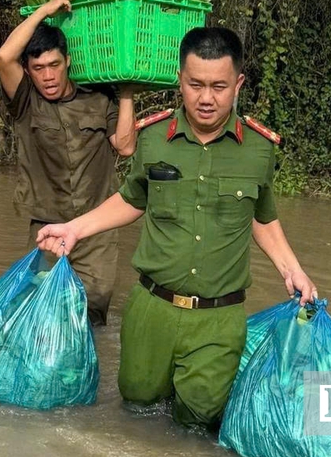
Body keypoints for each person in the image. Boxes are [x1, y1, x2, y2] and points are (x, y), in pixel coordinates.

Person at [36, 27, 315, 429]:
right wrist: (75, 229)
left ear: (238, 84)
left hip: (219, 318)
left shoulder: (260, 148)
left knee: (199, 423)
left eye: (219, 86)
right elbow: (132, 199)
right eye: (195, 84)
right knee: (136, 409)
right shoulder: (152, 137)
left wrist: (293, 271)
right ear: (179, 79)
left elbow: (262, 216)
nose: (206, 98)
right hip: (152, 311)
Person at [0, 0, 135, 325]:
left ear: (68, 61)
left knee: (91, 317)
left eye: (54, 65)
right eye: (38, 69)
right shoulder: (26, 101)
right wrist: (44, 11)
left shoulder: (100, 97)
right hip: (47, 227)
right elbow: (4, 56)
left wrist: (127, 93)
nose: (48, 76)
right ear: (28, 71)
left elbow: (125, 147)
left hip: (96, 230)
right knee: (42, 314)